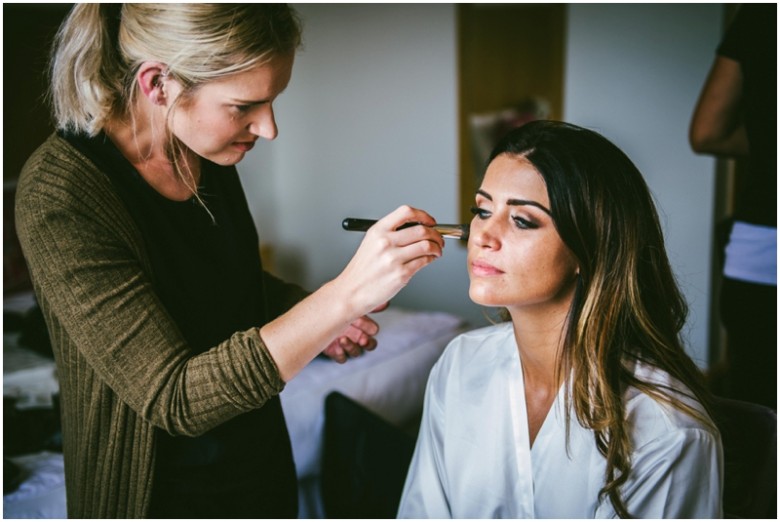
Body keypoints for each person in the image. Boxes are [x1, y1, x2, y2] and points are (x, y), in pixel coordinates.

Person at [14, 4, 445, 518]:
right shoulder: (60, 195)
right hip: (156, 500)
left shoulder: (204, 151)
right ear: (158, 85)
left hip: (257, 470)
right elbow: (175, 397)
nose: (268, 129)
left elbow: (222, 285)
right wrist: (340, 296)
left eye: (273, 102)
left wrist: (310, 314)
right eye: (245, 106)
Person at [397, 121, 723, 518]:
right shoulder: (460, 363)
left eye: (522, 220)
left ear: (589, 247)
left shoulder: (667, 434)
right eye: (482, 210)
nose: (483, 235)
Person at [689, 3, 776, 409]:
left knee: (758, 398)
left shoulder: (761, 16)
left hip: (763, 238)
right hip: (762, 240)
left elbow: (708, 132)